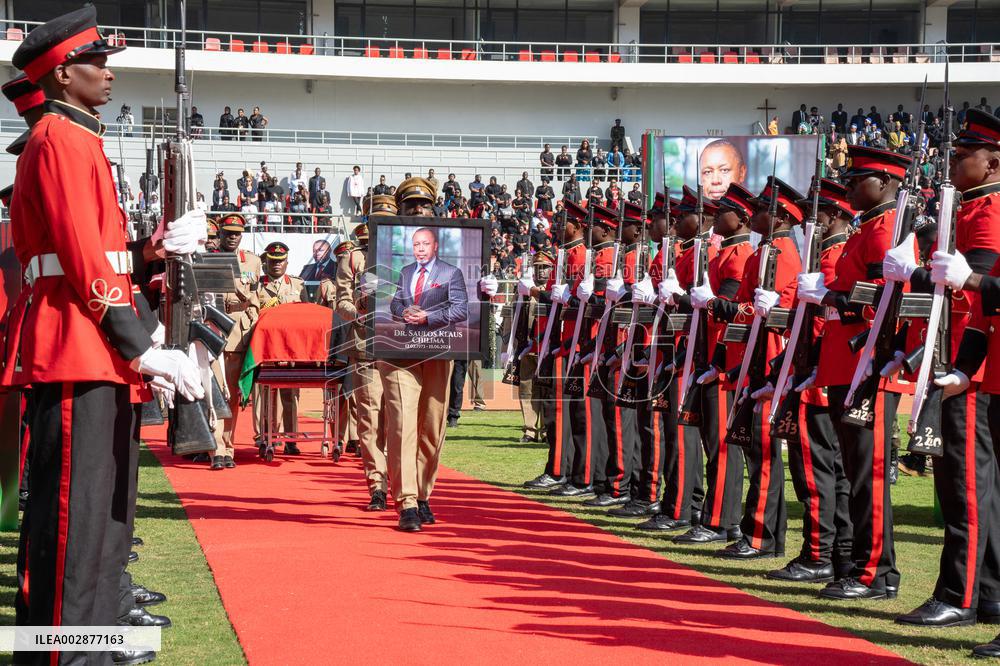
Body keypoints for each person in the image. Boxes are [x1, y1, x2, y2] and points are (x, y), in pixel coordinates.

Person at [8, 9, 204, 664]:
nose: (110, 72)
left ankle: (88, 642)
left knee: (98, 517)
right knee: (70, 518)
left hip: (93, 345)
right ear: (65, 73)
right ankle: (61, 654)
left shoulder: (79, 138)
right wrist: (142, 344)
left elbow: (107, 257)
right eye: (98, 61)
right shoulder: (60, 140)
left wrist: (154, 252)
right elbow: (82, 260)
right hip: (74, 342)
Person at [890, 109, 1000, 633]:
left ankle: (960, 593)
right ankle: (988, 594)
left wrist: (961, 366)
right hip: (960, 358)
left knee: (966, 488)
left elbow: (973, 294)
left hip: (971, 365)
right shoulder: (970, 207)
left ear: (993, 161)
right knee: (967, 485)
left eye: (963, 156)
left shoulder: (991, 212)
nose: (953, 162)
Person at [796, 145, 912, 600]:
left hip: (867, 365)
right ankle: (861, 564)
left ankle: (876, 573)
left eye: (856, 179)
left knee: (869, 474)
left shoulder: (884, 232)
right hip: (847, 366)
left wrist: (829, 296)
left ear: (884, 183)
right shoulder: (870, 228)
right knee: (857, 471)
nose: (848, 187)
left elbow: (882, 305)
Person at [370, 178, 456, 531]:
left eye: (424, 206)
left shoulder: (449, 258)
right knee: (403, 421)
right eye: (410, 207)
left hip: (439, 348)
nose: (418, 211)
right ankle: (406, 500)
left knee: (433, 427)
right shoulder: (383, 254)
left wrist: (483, 292)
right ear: (399, 211)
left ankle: (423, 493)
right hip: (398, 349)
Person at [336, 213, 392, 510]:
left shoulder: (405, 251)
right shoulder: (354, 259)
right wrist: (358, 306)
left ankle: (400, 480)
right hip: (366, 346)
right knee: (369, 420)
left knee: (397, 421)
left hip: (401, 348)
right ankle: (377, 485)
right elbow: (341, 302)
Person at [252, 242, 306, 456]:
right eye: (272, 261)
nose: (276, 265)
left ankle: (291, 439)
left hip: (290, 348)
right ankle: (265, 436)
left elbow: (305, 316)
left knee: (290, 393)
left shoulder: (297, 286)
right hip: (266, 348)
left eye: (280, 261)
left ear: (287, 262)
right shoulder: (257, 285)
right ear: (265, 262)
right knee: (263, 394)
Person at [216, 214, 262, 466]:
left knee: (231, 395)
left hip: (237, 335)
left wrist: (250, 313)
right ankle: (212, 446)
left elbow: (255, 297)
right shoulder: (208, 258)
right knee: (211, 392)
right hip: (212, 331)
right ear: (220, 233)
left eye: (237, 232)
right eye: (228, 232)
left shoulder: (252, 261)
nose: (232, 236)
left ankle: (226, 447)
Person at [389, 226, 468, 332]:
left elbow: (462, 310)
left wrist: (428, 317)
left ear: (435, 246)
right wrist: (404, 312)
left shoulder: (452, 272)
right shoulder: (405, 271)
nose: (421, 249)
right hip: (409, 339)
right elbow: (395, 303)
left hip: (439, 342)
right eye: (416, 244)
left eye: (426, 244)